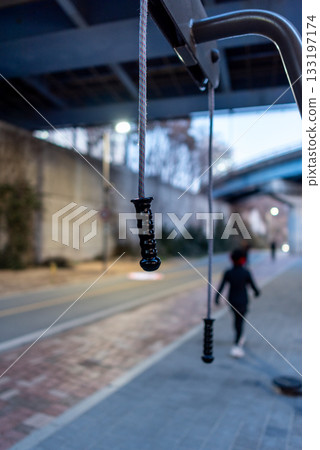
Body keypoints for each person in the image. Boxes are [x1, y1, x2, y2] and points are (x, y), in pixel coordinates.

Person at [215, 249, 260, 358]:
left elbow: (221, 286)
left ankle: (239, 338)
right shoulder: (246, 272)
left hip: (232, 300)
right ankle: (237, 345)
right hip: (243, 301)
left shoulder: (228, 272)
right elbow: (254, 287)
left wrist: (216, 298)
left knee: (237, 321)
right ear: (243, 260)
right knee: (240, 321)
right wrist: (257, 293)